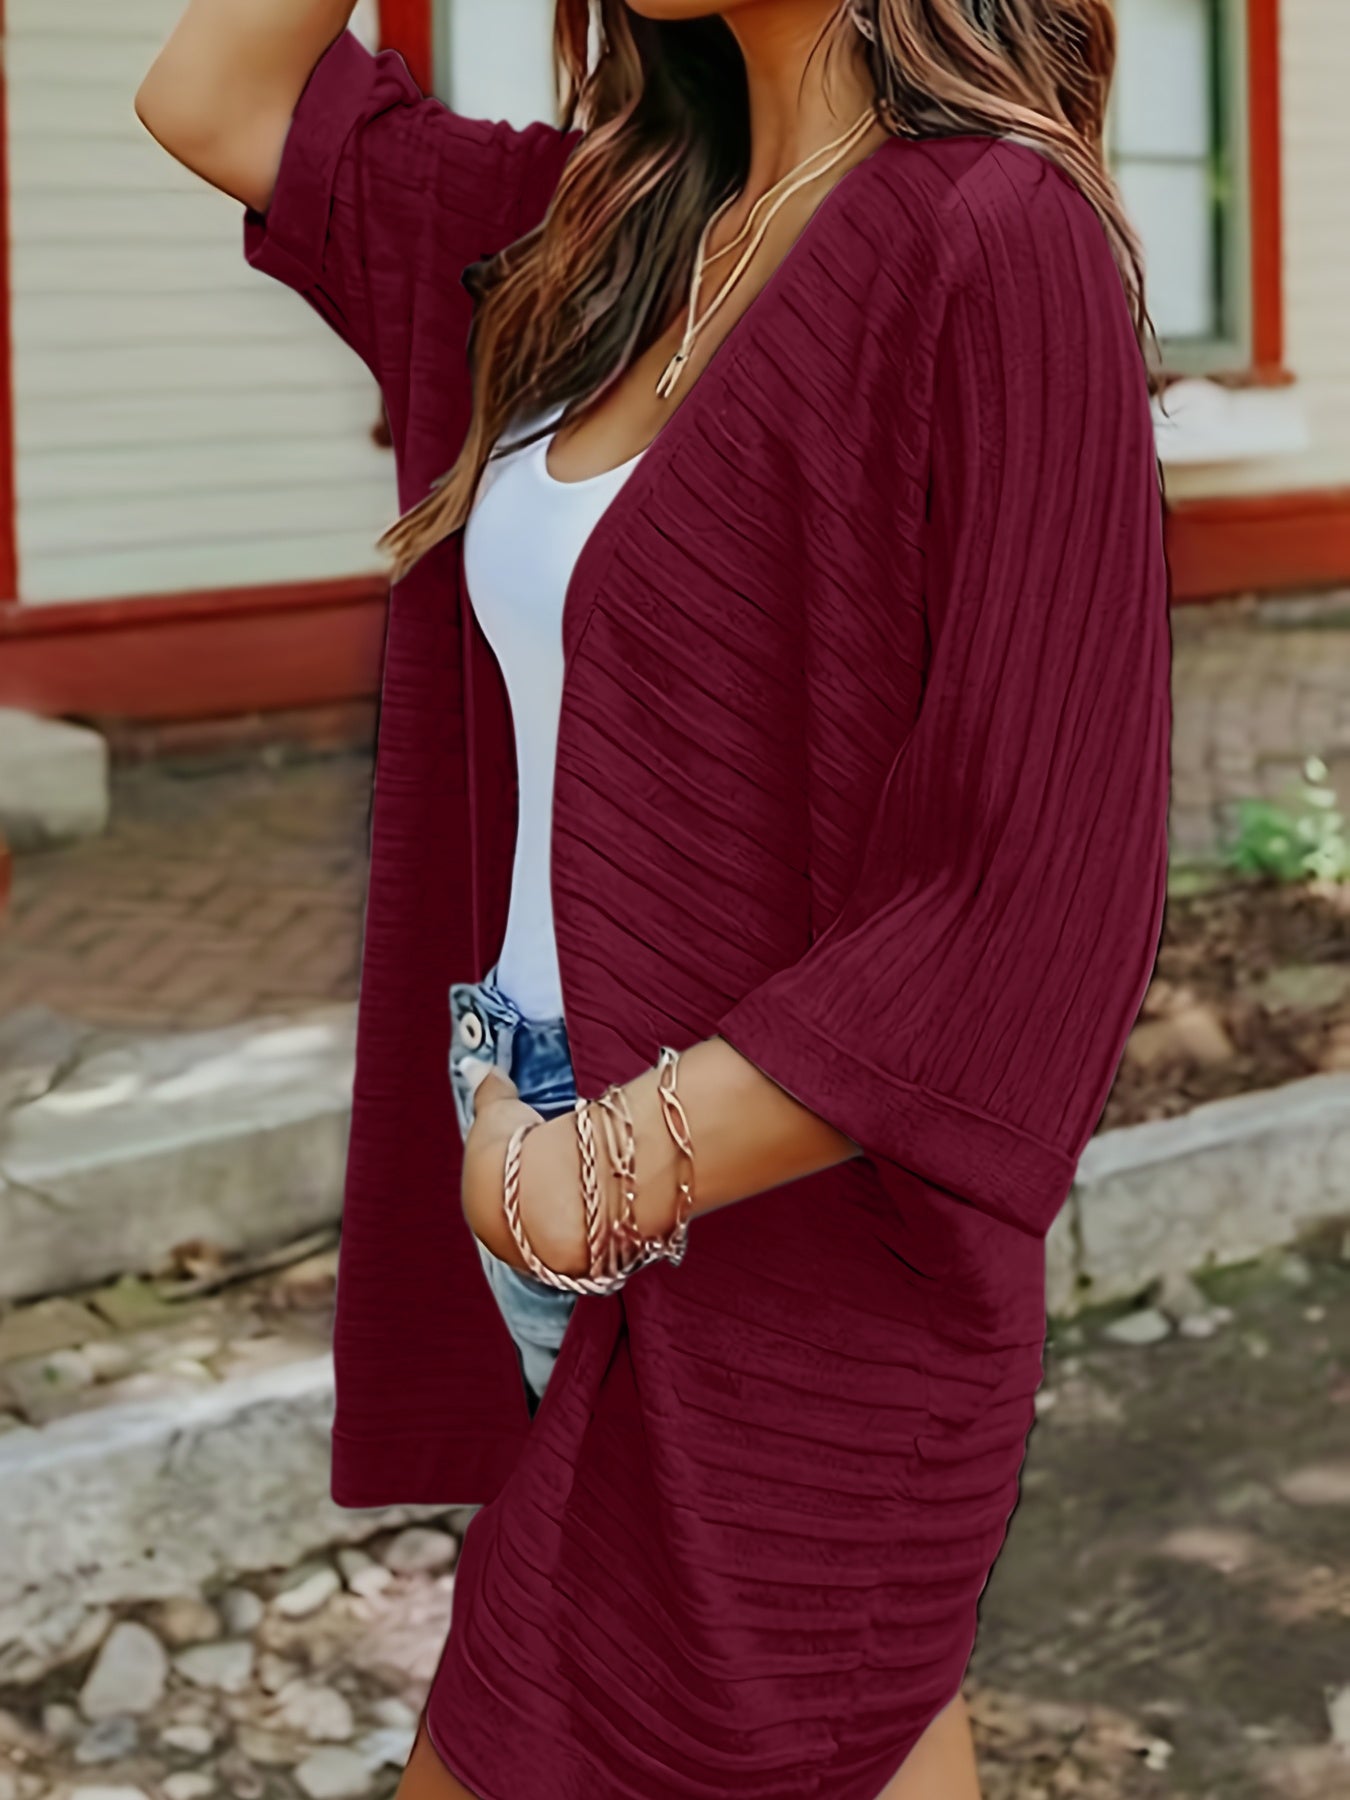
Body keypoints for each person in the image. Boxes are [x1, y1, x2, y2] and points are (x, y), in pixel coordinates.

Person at [135, 2, 1172, 1795]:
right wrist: (546, 1176)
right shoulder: (599, 226)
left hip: (792, 1244)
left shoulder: (993, 232)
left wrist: (588, 1179)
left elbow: (1034, 882)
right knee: (843, 1732)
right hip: (558, 1163)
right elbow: (211, 93)